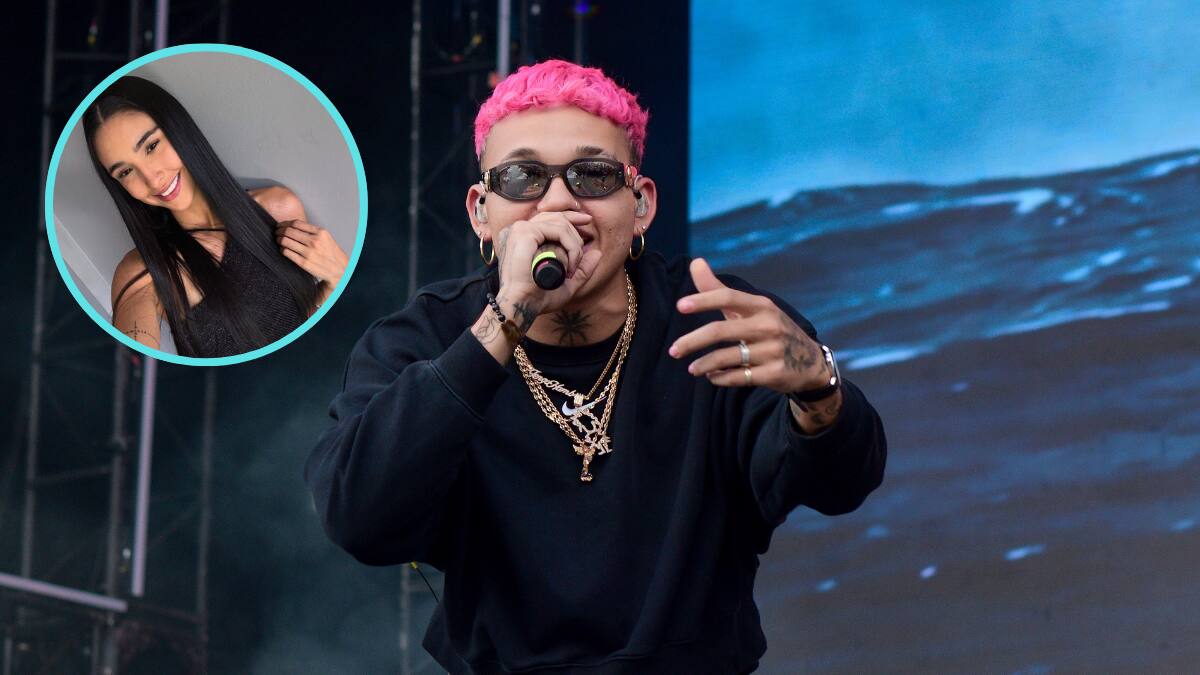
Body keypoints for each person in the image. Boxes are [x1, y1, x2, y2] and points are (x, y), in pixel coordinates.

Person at [305, 59, 886, 674]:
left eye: (594, 175)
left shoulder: (717, 319)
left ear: (641, 205)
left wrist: (819, 389)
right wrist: (506, 319)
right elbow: (358, 516)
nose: (559, 201)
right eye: (523, 177)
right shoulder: (424, 338)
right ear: (481, 211)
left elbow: (841, 486)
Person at [84, 76, 348, 357]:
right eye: (125, 172)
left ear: (178, 130)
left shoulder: (278, 209)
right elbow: (133, 360)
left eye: (151, 146)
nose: (152, 178)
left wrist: (338, 279)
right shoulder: (144, 273)